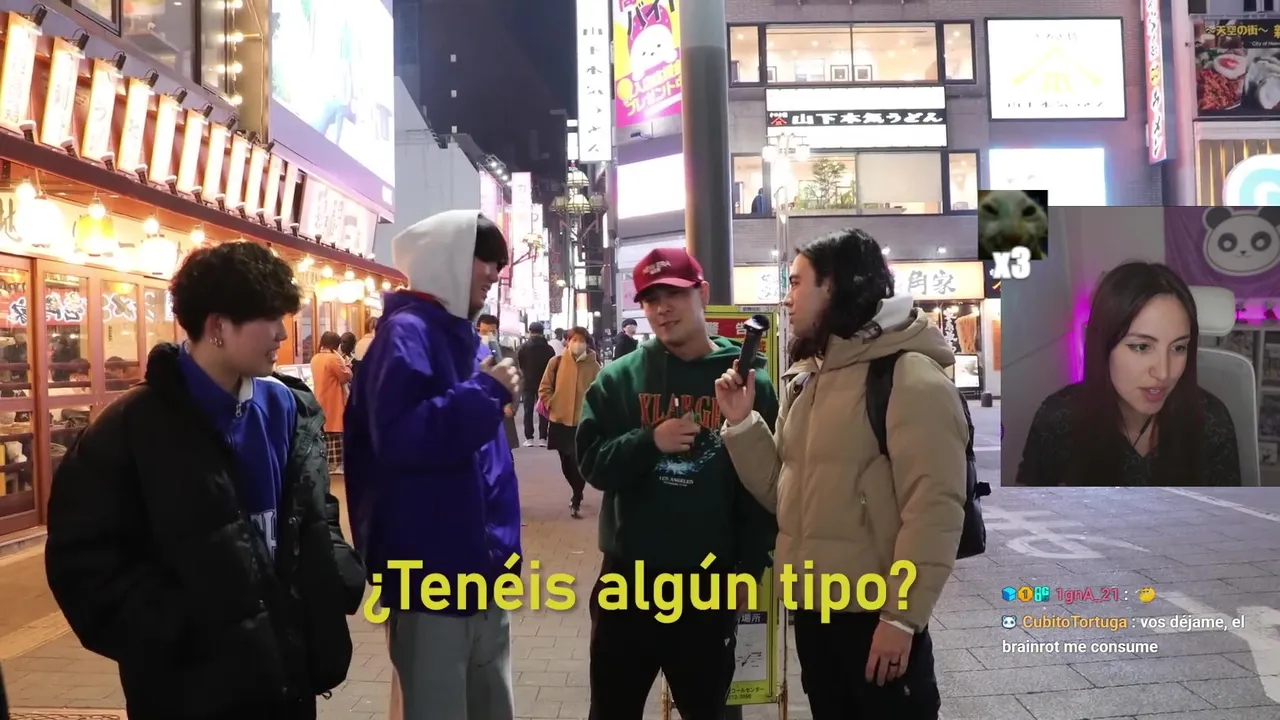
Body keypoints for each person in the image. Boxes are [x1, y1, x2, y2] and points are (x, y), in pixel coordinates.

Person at [44, 241, 366, 720]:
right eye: (269, 318)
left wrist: (335, 573)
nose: (282, 332)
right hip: (187, 692)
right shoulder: (130, 428)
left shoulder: (287, 408)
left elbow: (315, 510)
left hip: (288, 676)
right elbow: (84, 565)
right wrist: (181, 631)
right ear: (217, 326)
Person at [714, 229, 965, 719]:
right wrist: (742, 423)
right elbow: (784, 493)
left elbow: (934, 510)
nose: (786, 299)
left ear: (834, 286)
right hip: (815, 614)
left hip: (875, 617)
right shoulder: (809, 377)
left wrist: (902, 618)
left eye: (796, 283)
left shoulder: (909, 376)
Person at [576, 247, 778, 720]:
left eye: (673, 294)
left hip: (709, 582)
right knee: (611, 709)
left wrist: (750, 567)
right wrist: (649, 441)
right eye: (650, 299)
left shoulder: (749, 383)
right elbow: (592, 464)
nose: (661, 309)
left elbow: (763, 487)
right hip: (627, 582)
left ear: (702, 294)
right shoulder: (619, 379)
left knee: (710, 711)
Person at [343, 210, 523, 720]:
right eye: (484, 259)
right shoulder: (406, 333)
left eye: (498, 263)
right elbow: (401, 439)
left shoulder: (460, 336)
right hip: (431, 574)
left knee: (489, 705)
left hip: (480, 568)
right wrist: (486, 392)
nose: (493, 273)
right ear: (448, 258)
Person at [1017, 261, 1240, 487]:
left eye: (1178, 347)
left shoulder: (1210, 422)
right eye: (1142, 347)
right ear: (1103, 346)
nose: (1164, 373)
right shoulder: (1057, 419)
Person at [539, 326, 600, 517]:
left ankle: (576, 496)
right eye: (574, 340)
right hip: (560, 420)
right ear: (567, 341)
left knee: (578, 460)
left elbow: (600, 392)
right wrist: (552, 403)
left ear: (587, 343)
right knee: (566, 461)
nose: (577, 344)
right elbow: (544, 387)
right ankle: (576, 490)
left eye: (581, 340)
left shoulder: (594, 366)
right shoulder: (556, 362)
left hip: (583, 422)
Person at [311, 331, 353, 471]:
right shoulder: (333, 359)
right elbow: (345, 377)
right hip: (333, 401)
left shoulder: (315, 358)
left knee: (325, 434)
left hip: (320, 400)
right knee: (335, 433)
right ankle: (335, 467)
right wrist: (348, 367)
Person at [517, 321, 555, 447]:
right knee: (543, 411)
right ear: (542, 332)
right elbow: (553, 367)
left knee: (528, 411)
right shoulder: (549, 349)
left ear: (530, 331)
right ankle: (543, 437)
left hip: (527, 383)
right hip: (544, 384)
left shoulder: (523, 348)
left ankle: (529, 438)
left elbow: (519, 364)